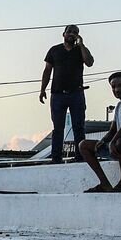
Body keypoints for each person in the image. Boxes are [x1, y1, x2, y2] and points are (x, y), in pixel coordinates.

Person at [39, 24, 94, 163]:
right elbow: (47, 70)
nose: (72, 34)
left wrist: (82, 45)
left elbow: (89, 62)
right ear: (63, 34)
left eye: (75, 32)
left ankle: (80, 157)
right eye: (69, 31)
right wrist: (42, 89)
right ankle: (56, 158)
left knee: (78, 126)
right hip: (58, 95)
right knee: (58, 128)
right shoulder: (54, 50)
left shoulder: (80, 50)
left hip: (76, 94)